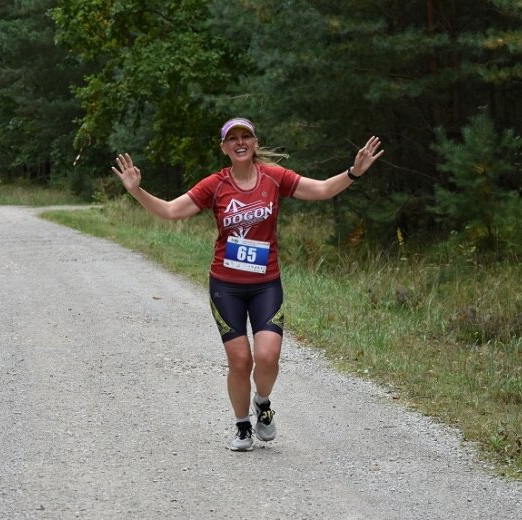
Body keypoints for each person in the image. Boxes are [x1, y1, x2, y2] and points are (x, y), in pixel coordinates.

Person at [112, 118, 383, 451]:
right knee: (240, 361)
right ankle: (242, 427)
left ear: (254, 143)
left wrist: (353, 173)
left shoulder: (274, 177)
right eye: (233, 138)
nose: (240, 142)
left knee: (268, 357)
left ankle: (263, 403)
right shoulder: (215, 184)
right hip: (226, 286)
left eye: (246, 137)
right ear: (224, 147)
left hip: (266, 284)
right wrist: (136, 190)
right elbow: (170, 211)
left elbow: (323, 189)